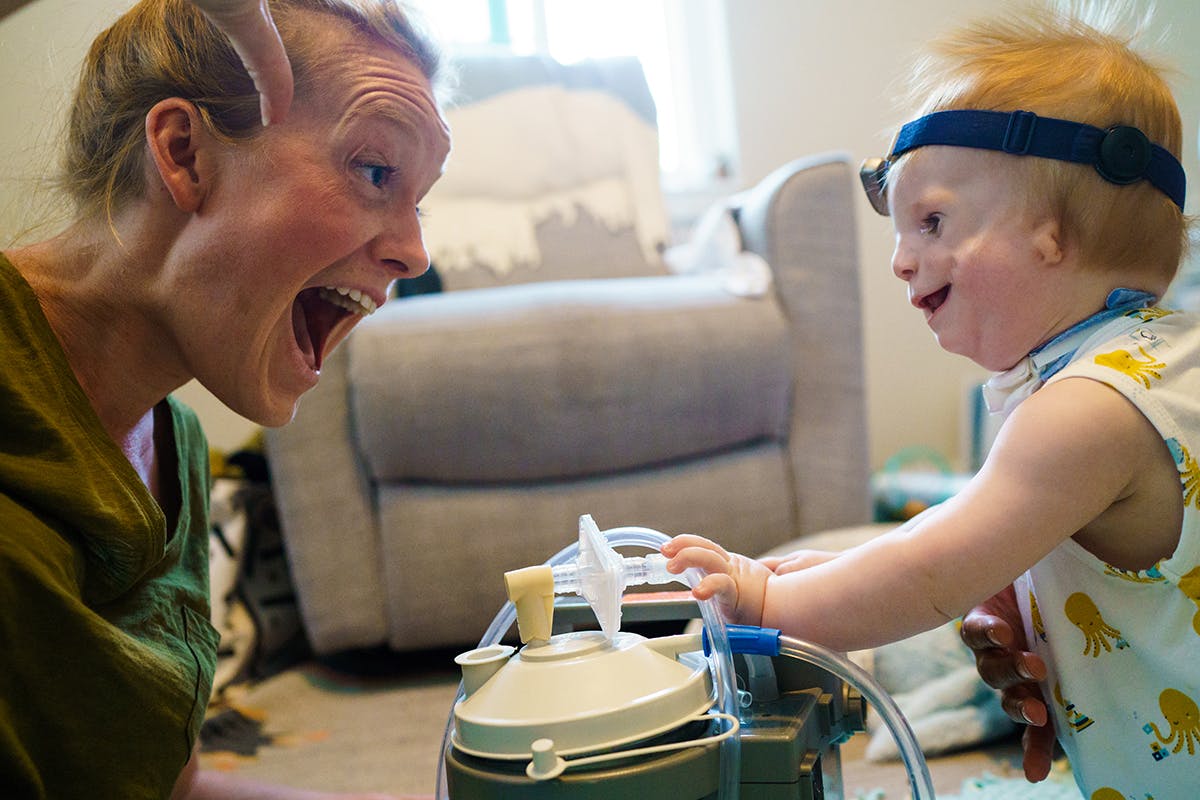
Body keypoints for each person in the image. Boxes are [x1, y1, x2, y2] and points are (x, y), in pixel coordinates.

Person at [662, 5, 1196, 798]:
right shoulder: (1155, 360)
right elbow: (977, 542)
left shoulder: (1082, 412)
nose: (902, 261)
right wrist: (1017, 601)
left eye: (934, 221)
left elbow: (925, 572)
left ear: (1052, 233)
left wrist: (769, 597)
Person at [0, 0, 449, 797]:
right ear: (184, 153)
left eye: (421, 198)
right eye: (376, 171)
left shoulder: (171, 446)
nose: (414, 253)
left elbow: (176, 789)